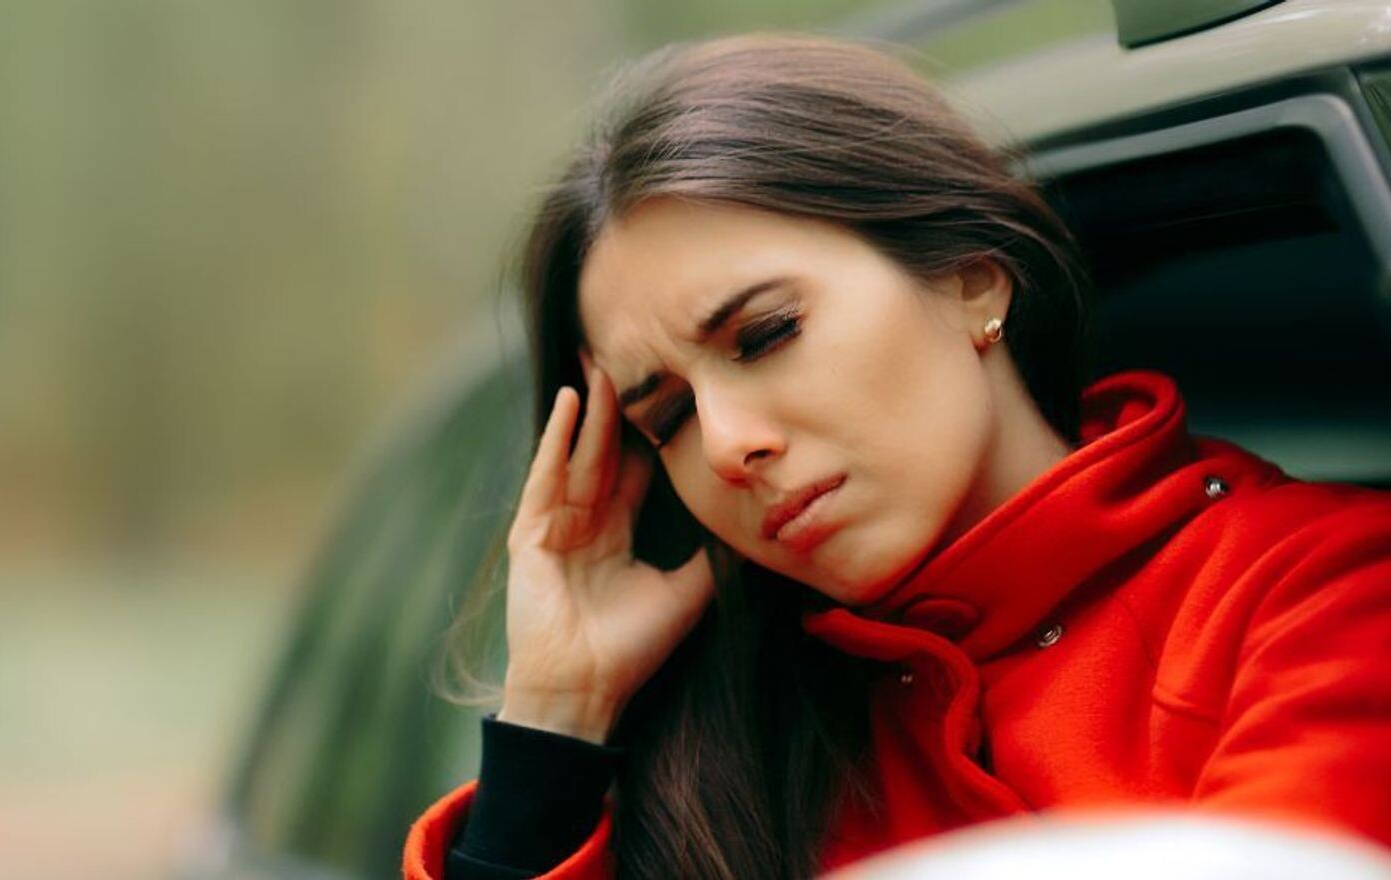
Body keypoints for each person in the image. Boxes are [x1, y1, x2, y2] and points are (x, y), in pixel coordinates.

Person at [400, 32, 1391, 880]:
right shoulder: (738, 735)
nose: (732, 445)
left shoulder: (1320, 594)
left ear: (970, 277)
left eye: (765, 334)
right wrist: (558, 711)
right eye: (669, 418)